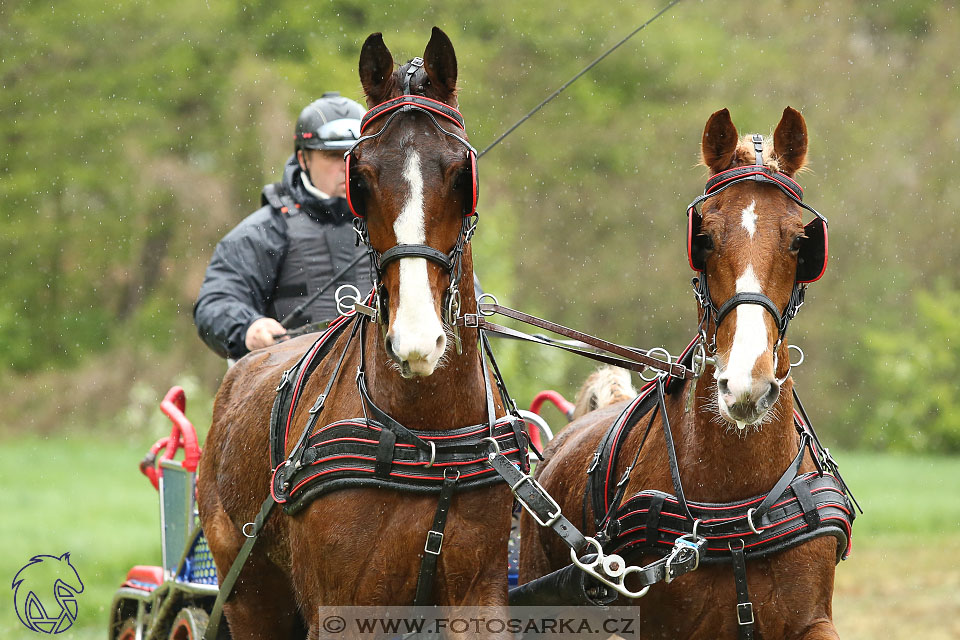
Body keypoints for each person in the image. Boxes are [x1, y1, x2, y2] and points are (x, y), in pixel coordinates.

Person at [194, 92, 373, 360]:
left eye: (355, 154)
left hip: (384, 387)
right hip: (291, 388)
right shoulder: (264, 232)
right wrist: (249, 328)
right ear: (303, 159)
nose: (347, 166)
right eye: (333, 155)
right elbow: (215, 302)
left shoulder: (399, 224)